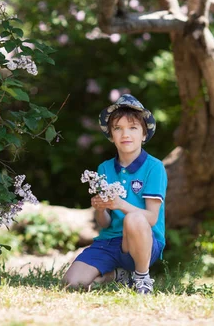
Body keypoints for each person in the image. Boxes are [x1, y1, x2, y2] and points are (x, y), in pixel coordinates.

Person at [62, 94, 167, 294]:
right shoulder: (104, 168)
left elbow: (152, 218)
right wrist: (100, 209)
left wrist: (119, 204)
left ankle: (142, 277)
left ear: (144, 135)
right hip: (110, 241)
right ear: (111, 135)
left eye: (133, 128)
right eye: (118, 128)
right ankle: (118, 276)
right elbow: (104, 223)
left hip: (143, 241)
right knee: (72, 283)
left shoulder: (154, 167)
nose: (125, 134)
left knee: (134, 219)